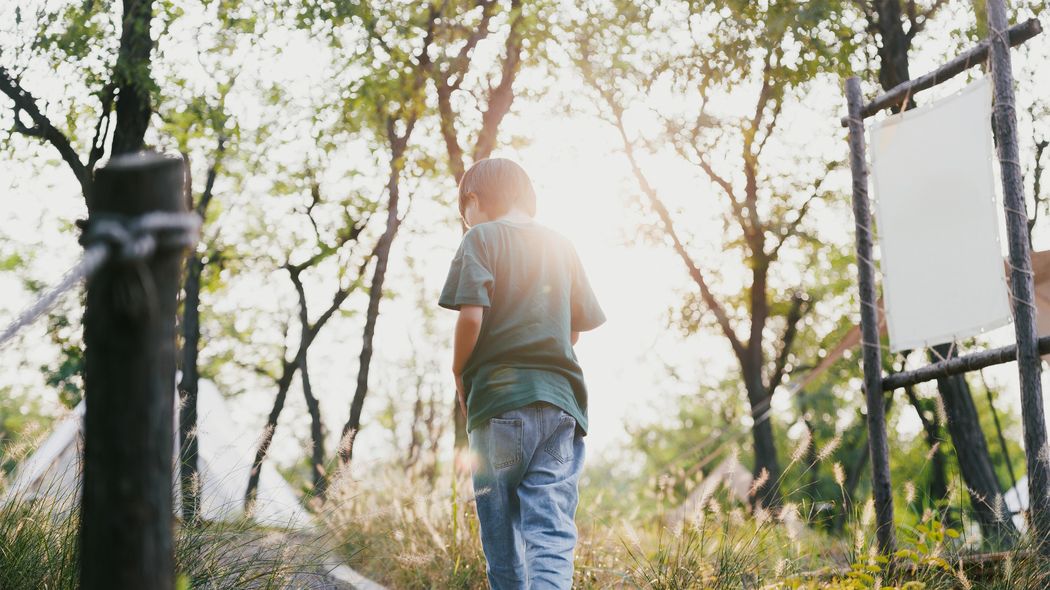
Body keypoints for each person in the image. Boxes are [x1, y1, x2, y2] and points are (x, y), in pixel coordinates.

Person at [439, 157, 605, 589]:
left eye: (464, 212)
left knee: (500, 532)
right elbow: (572, 331)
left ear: (473, 201)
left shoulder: (480, 238)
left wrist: (459, 371)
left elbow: (471, 317)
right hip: (560, 405)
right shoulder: (561, 245)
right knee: (550, 527)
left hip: (497, 405)